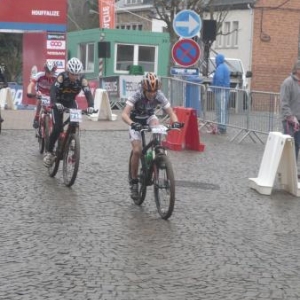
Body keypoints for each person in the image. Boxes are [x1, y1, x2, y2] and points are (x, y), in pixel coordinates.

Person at [121, 72, 182, 200]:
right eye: (149, 91)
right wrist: (132, 124)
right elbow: (124, 114)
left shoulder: (159, 94)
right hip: (135, 120)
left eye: (154, 91)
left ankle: (156, 154)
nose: (152, 94)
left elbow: (171, 112)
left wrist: (175, 123)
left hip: (149, 117)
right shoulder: (137, 94)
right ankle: (133, 182)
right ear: (144, 88)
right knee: (137, 151)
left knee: (156, 124)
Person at [43, 57, 95, 167]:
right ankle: (49, 152)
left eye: (77, 74)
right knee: (57, 128)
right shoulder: (62, 77)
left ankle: (72, 143)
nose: (75, 77)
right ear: (68, 72)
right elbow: (53, 90)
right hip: (58, 102)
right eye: (72, 74)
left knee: (75, 123)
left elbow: (88, 93)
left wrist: (91, 106)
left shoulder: (82, 79)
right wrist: (55, 103)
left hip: (70, 102)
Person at [27, 60, 58, 129]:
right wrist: (29, 92)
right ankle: (36, 117)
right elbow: (31, 84)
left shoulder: (57, 77)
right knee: (39, 98)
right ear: (45, 70)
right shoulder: (40, 75)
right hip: (41, 92)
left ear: (54, 71)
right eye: (47, 72)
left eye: (52, 72)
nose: (49, 74)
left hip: (51, 94)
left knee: (55, 106)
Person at [280, 60, 300, 162]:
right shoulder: (288, 83)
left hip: (298, 120)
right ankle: (287, 168)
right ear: (297, 70)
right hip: (289, 121)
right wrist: (290, 117)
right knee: (289, 146)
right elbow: (284, 102)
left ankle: (293, 168)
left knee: (297, 145)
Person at [212, 54, 230, 134]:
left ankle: (222, 127)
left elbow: (219, 78)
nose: (215, 61)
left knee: (221, 109)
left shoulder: (220, 68)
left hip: (221, 91)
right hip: (223, 90)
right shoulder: (223, 67)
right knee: (221, 109)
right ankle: (221, 126)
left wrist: (215, 87)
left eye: (216, 59)